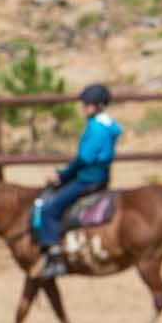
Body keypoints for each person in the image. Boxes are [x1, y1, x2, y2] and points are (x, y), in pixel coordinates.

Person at [32, 83, 120, 278]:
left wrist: (61, 175)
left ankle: (55, 257)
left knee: (50, 210)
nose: (84, 107)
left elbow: (84, 159)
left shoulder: (97, 128)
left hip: (88, 179)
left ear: (98, 105)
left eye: (87, 104)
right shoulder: (108, 126)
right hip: (101, 177)